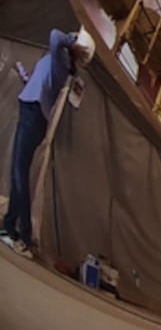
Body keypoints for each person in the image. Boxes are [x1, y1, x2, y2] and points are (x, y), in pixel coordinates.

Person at [3, 28, 94, 257]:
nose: (71, 33)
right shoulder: (56, 62)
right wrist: (24, 76)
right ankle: (9, 224)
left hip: (33, 117)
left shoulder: (61, 61)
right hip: (30, 112)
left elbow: (54, 35)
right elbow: (37, 83)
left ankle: (23, 236)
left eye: (74, 35)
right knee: (17, 172)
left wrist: (71, 39)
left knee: (19, 174)